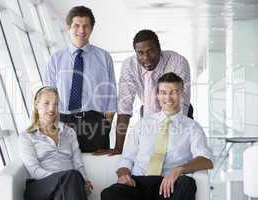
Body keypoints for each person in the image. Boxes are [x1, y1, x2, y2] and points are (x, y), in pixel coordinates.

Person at [101, 72, 213, 200]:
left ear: (182, 94)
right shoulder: (142, 124)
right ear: (158, 95)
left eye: (174, 92)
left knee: (187, 183)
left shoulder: (193, 127)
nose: (168, 98)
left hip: (170, 183)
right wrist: (124, 175)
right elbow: (127, 159)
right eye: (164, 92)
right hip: (138, 183)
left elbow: (206, 160)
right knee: (109, 193)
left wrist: (179, 169)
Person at [100, 30, 192, 155]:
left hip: (177, 111)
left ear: (159, 49)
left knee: (175, 154)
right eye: (140, 53)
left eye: (151, 51)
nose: (146, 58)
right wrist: (118, 148)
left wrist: (172, 145)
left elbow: (181, 105)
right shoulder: (129, 66)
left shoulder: (178, 62)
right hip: (148, 110)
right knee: (148, 151)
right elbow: (124, 107)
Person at [44, 6, 117, 153]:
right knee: (66, 166)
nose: (81, 30)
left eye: (86, 26)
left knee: (97, 169)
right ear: (68, 28)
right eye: (76, 26)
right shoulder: (55, 59)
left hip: (95, 123)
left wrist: (106, 124)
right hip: (63, 122)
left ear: (91, 28)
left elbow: (111, 94)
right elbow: (48, 95)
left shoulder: (104, 57)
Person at [19, 86, 93, 200]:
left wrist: (84, 180)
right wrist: (62, 178)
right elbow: (34, 170)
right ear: (36, 105)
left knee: (65, 191)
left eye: (56, 104)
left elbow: (78, 162)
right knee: (71, 177)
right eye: (46, 103)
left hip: (67, 187)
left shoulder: (68, 132)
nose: (51, 109)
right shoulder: (27, 137)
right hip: (40, 187)